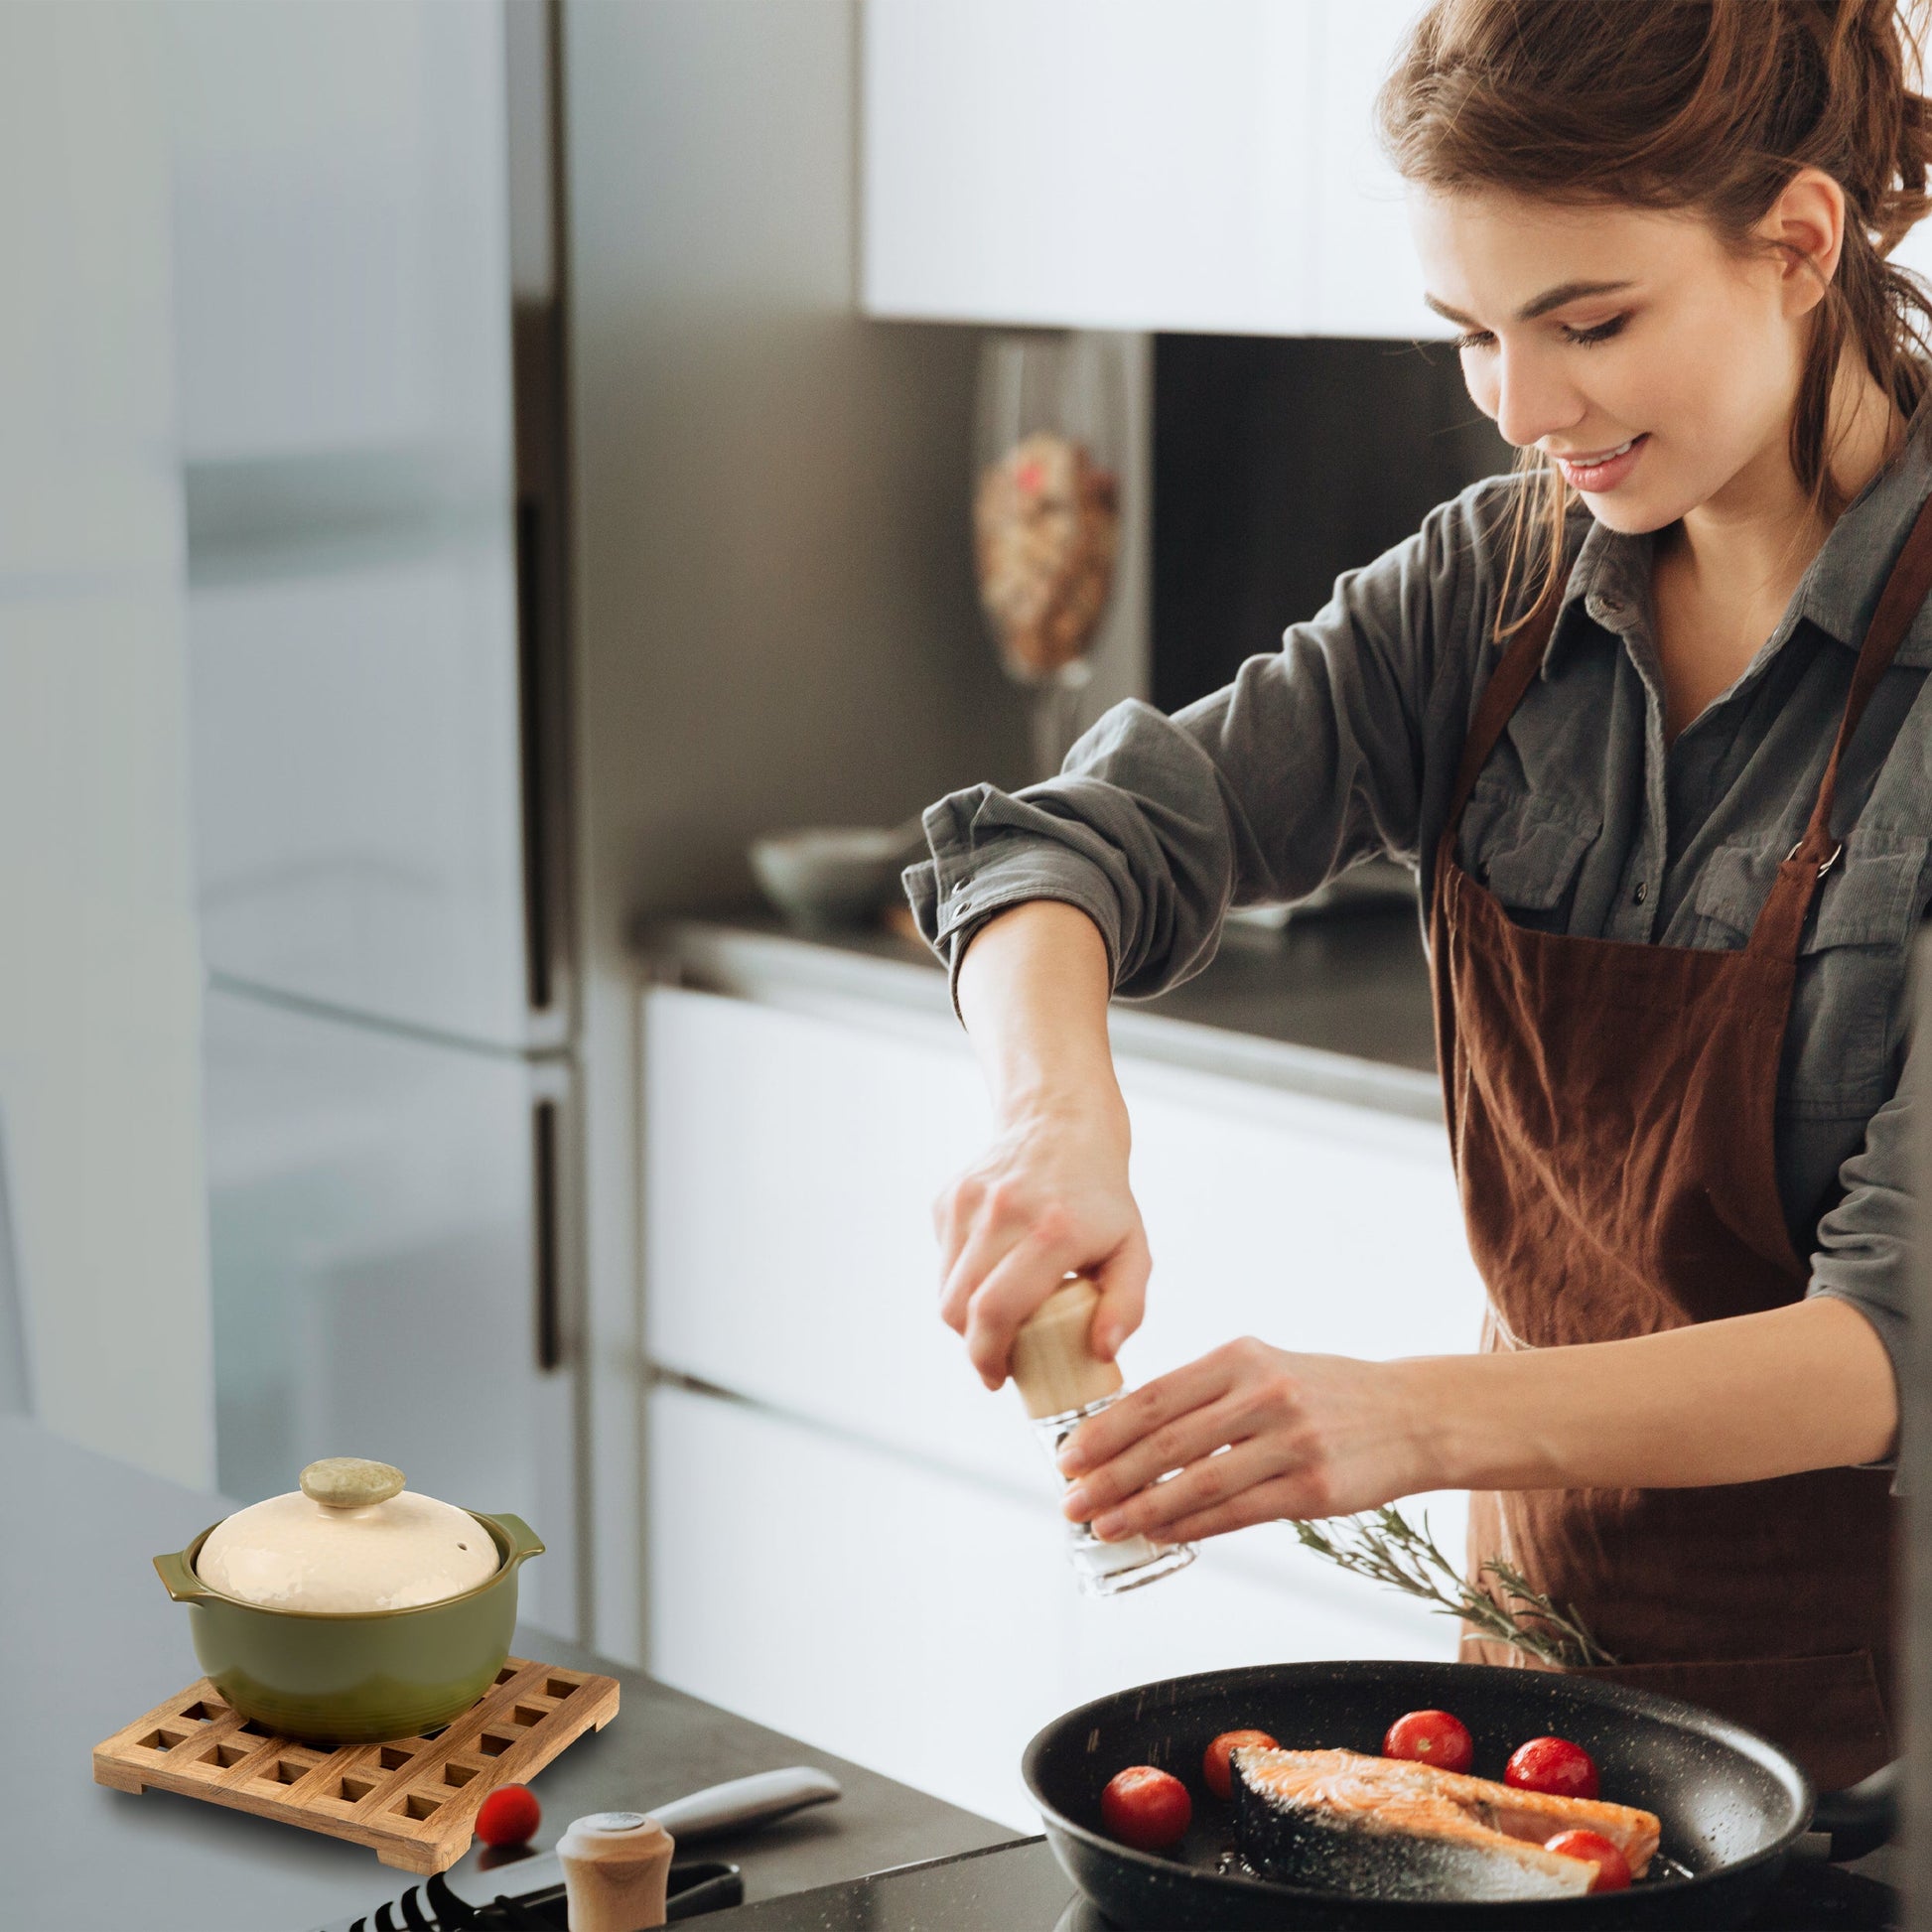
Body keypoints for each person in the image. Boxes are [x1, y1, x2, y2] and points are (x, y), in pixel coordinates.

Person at [905, 0, 1932, 1790]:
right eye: (1471, 332)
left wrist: (1396, 1415)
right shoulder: (1501, 586)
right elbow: (1059, 844)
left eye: (1588, 320)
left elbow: (1890, 1344)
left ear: (1796, 240)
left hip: (1894, 1742)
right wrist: (1050, 1121)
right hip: (1543, 1663)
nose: (1527, 412)